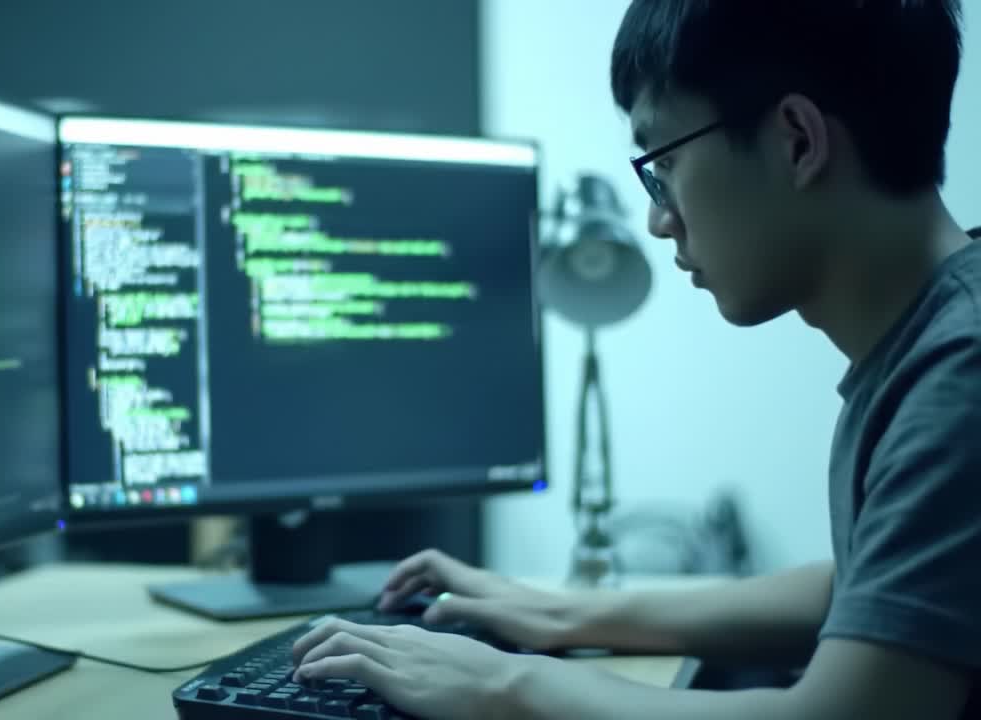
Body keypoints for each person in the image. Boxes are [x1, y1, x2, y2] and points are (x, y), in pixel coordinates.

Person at [292, 2, 981, 718]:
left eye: (665, 165)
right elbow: (862, 589)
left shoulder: (959, 372)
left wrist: (497, 684)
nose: (657, 219)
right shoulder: (938, 337)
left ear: (798, 142)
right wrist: (563, 611)